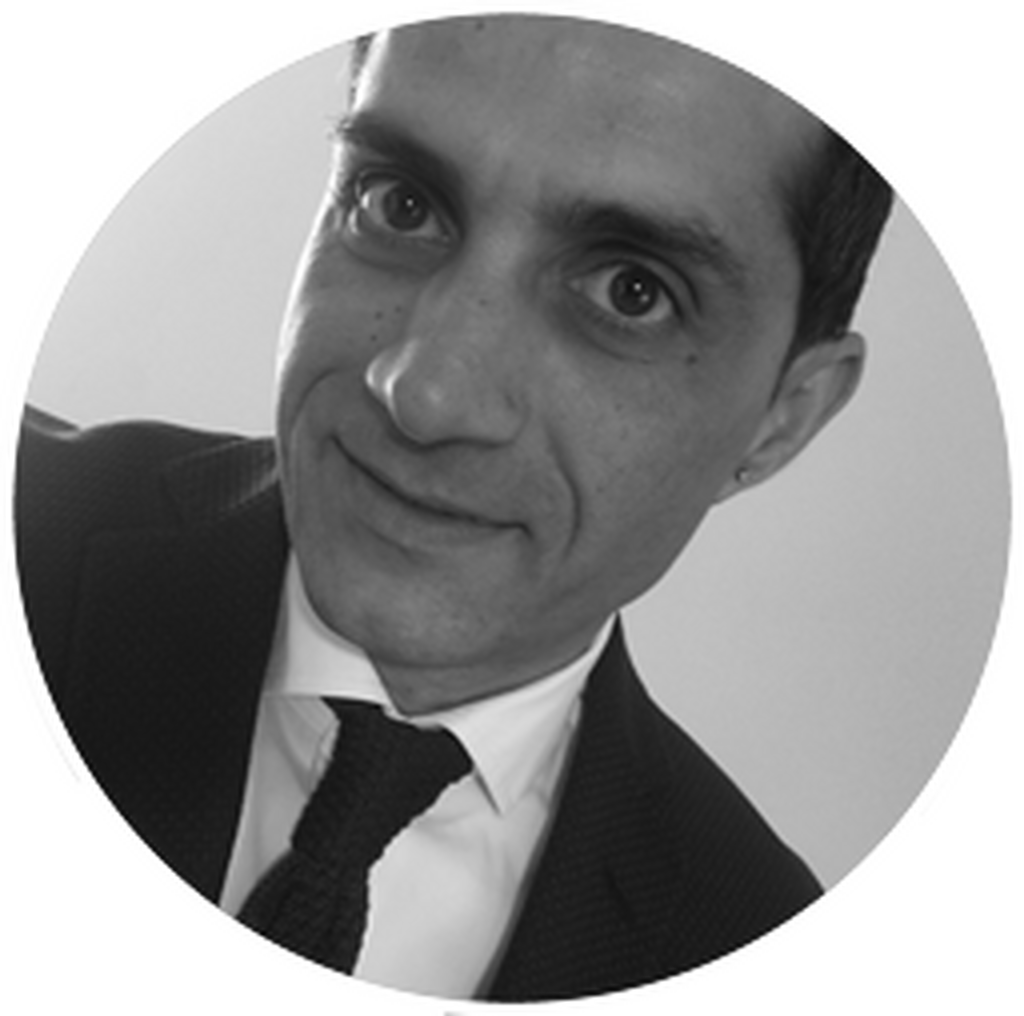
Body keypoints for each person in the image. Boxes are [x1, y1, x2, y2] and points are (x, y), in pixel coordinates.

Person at [14, 12, 894, 1004]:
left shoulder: (746, 931)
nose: (426, 394)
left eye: (631, 291)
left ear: (782, 418)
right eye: (399, 204)